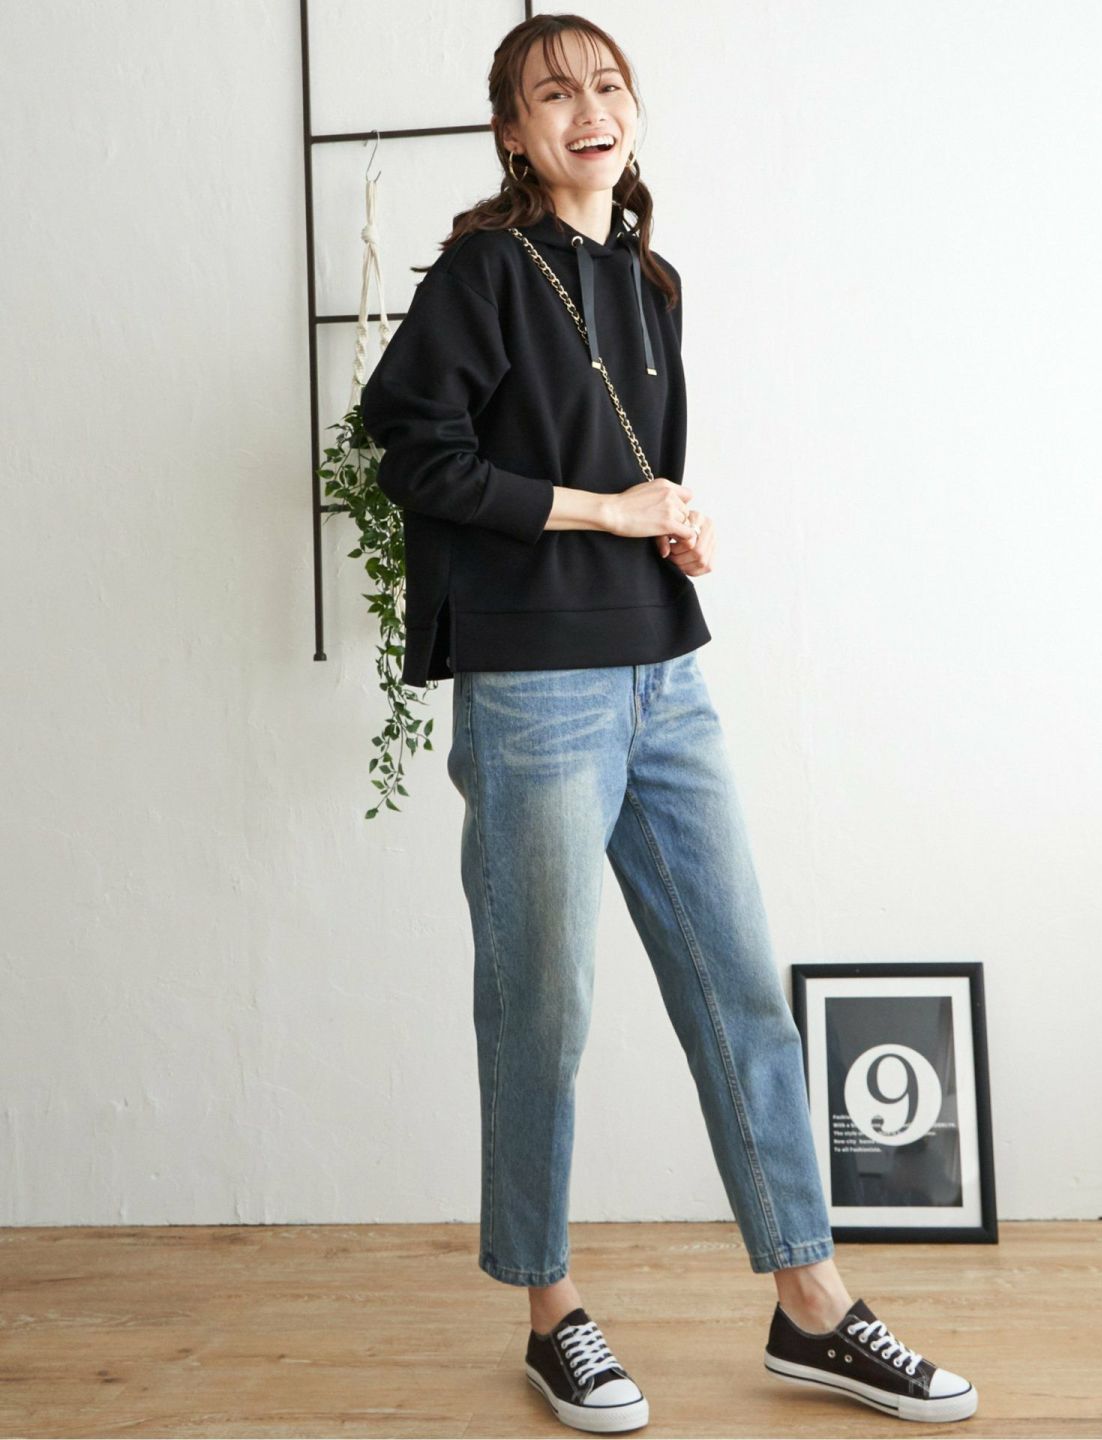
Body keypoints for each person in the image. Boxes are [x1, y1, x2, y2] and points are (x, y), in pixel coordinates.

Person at [360, 12, 978, 1432]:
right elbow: (414, 450)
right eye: (552, 93)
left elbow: (632, 464)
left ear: (631, 110)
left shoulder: (648, 279)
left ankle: (812, 1305)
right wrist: (605, 511)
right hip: (536, 687)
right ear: (513, 134)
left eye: (607, 83)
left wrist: (671, 526)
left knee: (738, 985)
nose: (588, 106)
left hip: (663, 671)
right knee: (544, 1003)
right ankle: (550, 1312)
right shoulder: (484, 272)